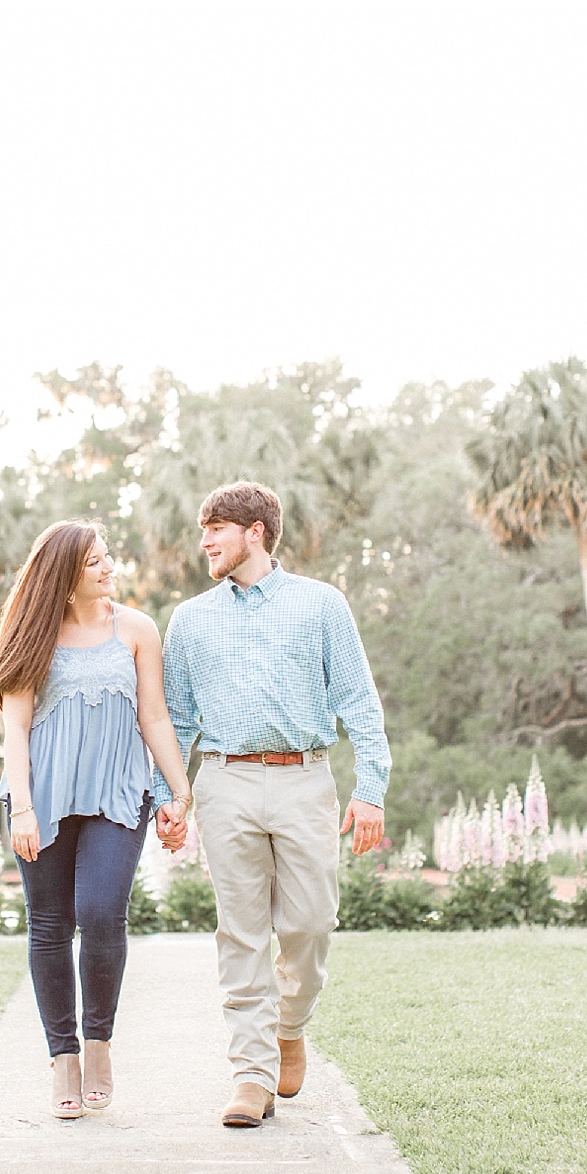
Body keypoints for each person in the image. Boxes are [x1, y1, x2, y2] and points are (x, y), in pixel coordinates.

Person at [150, 480, 390, 1128]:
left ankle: (290, 1025)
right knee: (242, 931)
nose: (204, 541)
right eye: (203, 530)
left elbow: (358, 700)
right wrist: (168, 798)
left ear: (255, 531)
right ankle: (250, 1074)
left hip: (304, 779)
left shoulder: (321, 606)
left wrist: (371, 788)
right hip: (224, 781)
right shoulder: (192, 619)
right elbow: (173, 717)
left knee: (311, 923)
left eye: (216, 529)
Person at [0, 518, 193, 1121]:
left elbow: (153, 717)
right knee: (50, 923)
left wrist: (180, 793)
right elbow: (15, 728)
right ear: (65, 575)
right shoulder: (30, 634)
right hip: (41, 799)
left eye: (108, 557)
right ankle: (63, 1058)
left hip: (116, 792)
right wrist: (22, 807)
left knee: (102, 912)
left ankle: (99, 1043)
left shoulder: (136, 629)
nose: (110, 568)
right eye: (96, 562)